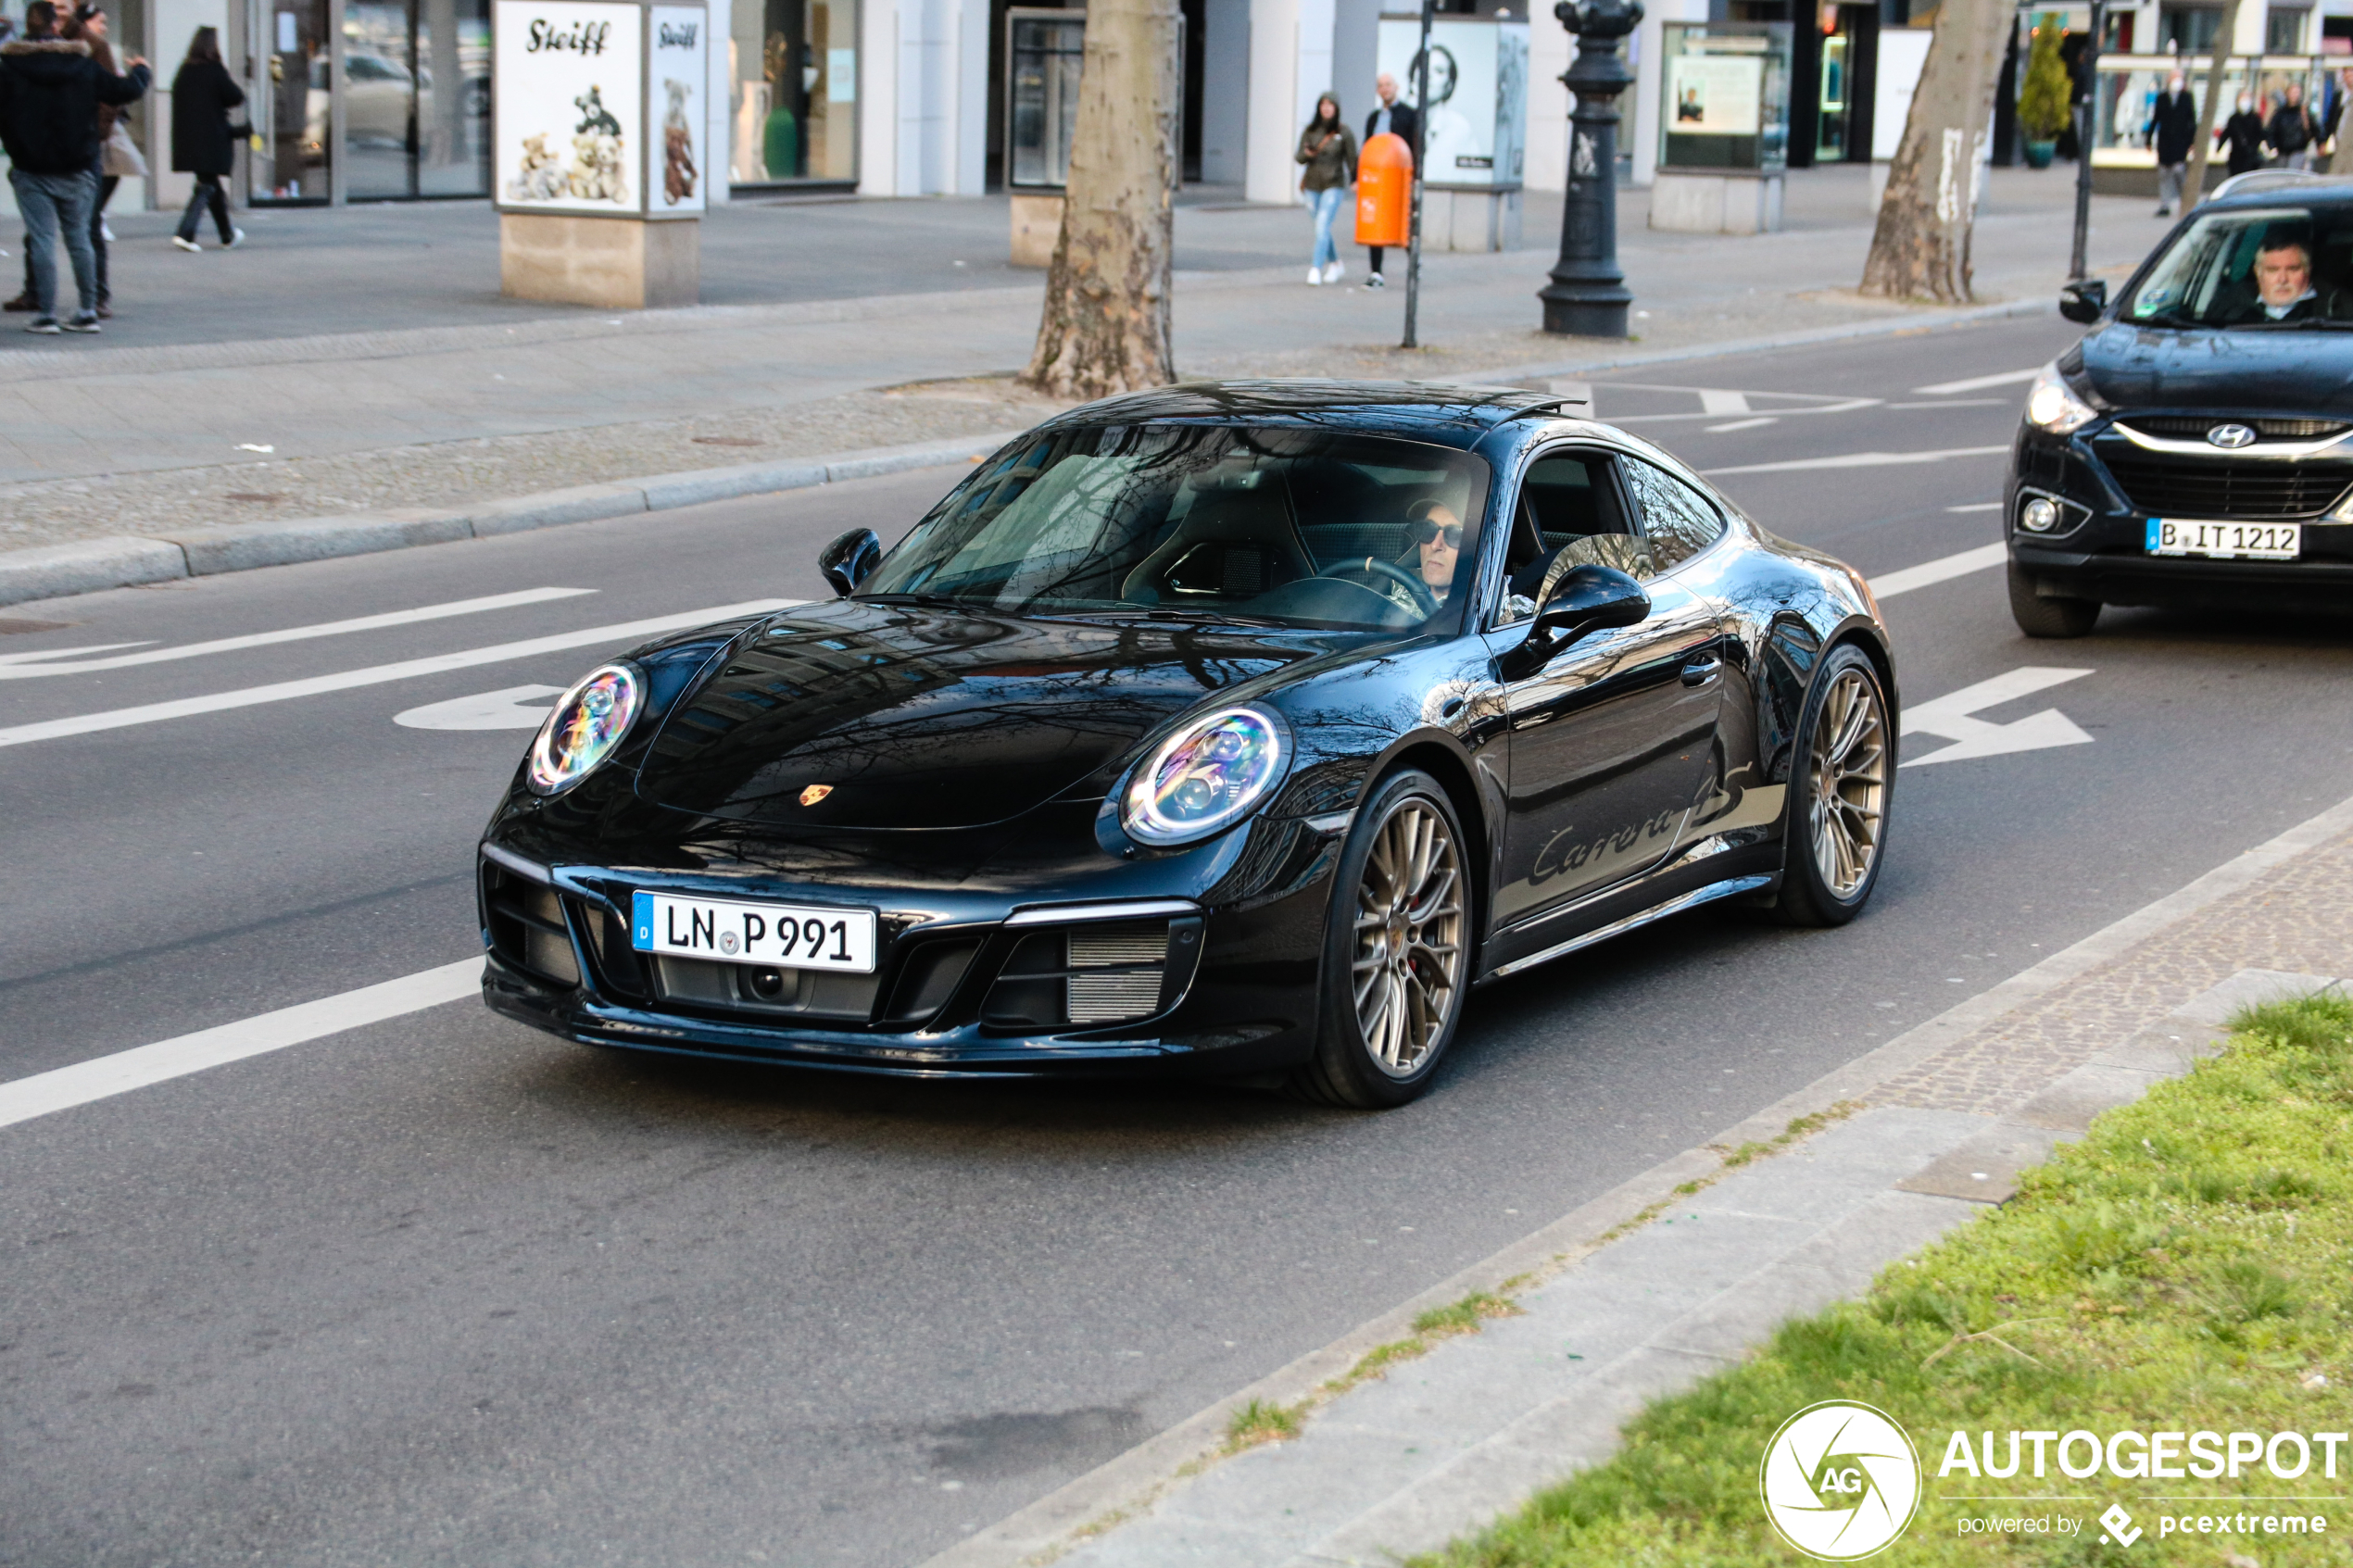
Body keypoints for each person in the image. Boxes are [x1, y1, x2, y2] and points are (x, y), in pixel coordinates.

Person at [0, 0, 148, 332]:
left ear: (28, 27)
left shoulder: (8, 68)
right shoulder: (83, 65)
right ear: (55, 27)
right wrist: (141, 70)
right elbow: (124, 90)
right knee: (79, 238)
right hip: (78, 166)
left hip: (30, 168)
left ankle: (47, 315)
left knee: (41, 240)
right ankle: (86, 311)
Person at [169, 25, 243, 251]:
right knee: (206, 185)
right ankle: (185, 233)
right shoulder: (214, 70)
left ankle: (227, 234)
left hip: (188, 140)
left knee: (210, 184)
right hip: (211, 139)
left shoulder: (184, 71)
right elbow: (235, 96)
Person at [1360, 72, 1417, 291]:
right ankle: (1376, 272)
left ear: (1397, 87)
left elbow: (1416, 147)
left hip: (1400, 177)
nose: (1384, 89)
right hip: (1377, 178)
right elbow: (1366, 147)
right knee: (1375, 221)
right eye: (1381, 86)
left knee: (1405, 224)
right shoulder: (1374, 117)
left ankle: (1413, 263)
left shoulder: (1409, 115)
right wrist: (1359, 177)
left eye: (1388, 85)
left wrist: (1414, 176)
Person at [2216, 230, 2347, 322]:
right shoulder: (2230, 306)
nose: (2282, 279)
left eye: (2292, 269)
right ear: (2258, 272)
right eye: (2273, 270)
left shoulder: (2338, 308)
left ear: (2308, 270)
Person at [1295, 93, 1355, 287]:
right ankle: (1336, 263)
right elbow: (1298, 157)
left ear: (1336, 108)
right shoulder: (1310, 130)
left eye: (1330, 105)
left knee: (1322, 225)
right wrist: (1307, 153)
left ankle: (1315, 268)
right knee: (1321, 228)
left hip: (1333, 183)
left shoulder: (1343, 132)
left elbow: (1352, 159)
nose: (1327, 108)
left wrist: (1356, 180)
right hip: (1312, 184)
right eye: (1323, 105)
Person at [2145, 72, 2196, 216]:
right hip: (2165, 142)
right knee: (2164, 174)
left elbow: (2191, 119)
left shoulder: (2186, 97)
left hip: (2180, 142)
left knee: (2179, 171)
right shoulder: (2162, 98)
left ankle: (2185, 201)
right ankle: (2165, 205)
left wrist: (2192, 141)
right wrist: (2148, 139)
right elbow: (2156, 119)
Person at [2267, 82, 2317, 169]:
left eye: (2297, 92)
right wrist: (2272, 146)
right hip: (2282, 152)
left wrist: (2321, 142)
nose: (2294, 95)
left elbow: (2315, 128)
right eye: (2292, 92)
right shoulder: (2280, 113)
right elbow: (2271, 130)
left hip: (2299, 151)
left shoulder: (2304, 112)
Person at [2218, 91, 2267, 177]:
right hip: (2236, 158)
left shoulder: (2255, 118)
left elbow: (2260, 135)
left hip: (2251, 157)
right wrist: (2219, 147)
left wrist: (2253, 148)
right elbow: (2227, 133)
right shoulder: (2233, 119)